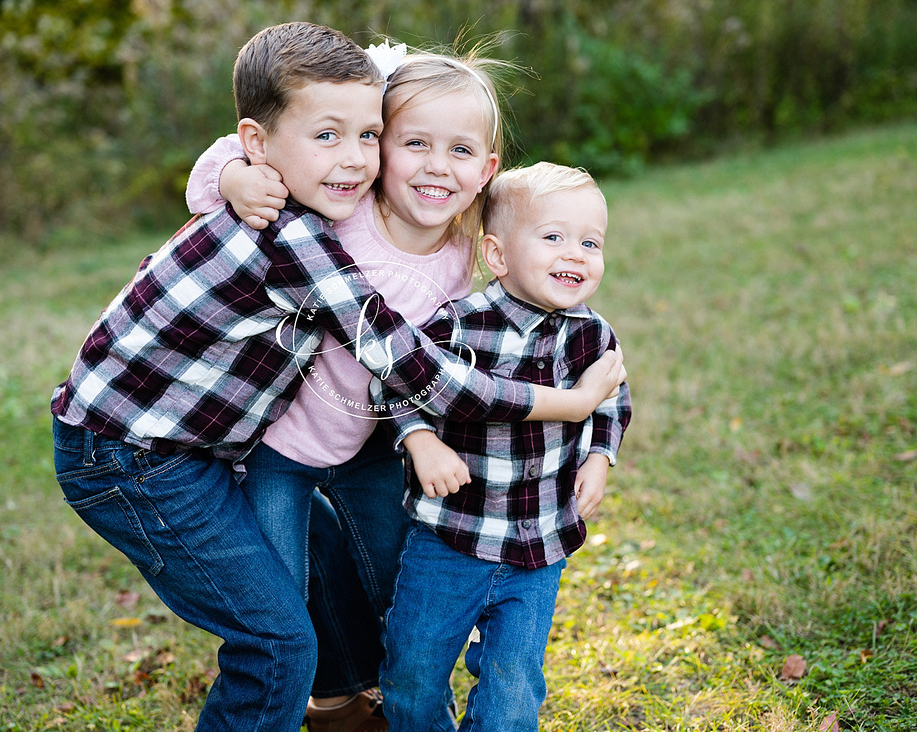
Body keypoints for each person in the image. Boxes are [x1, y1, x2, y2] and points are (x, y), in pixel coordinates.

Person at [51, 23, 624, 732]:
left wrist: (592, 431)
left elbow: (525, 250)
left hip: (362, 440)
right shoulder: (324, 220)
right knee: (278, 610)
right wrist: (568, 404)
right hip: (259, 450)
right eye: (409, 143)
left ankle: (359, 696)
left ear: (483, 169)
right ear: (386, 151)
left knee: (393, 577)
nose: (428, 166)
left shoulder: (455, 241)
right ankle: (316, 690)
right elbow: (420, 368)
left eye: (366, 137)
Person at [374, 162, 633, 731]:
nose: (576, 254)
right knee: (412, 675)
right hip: (450, 538)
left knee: (514, 686)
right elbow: (393, 380)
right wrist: (419, 441)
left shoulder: (594, 335)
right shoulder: (459, 326)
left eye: (591, 242)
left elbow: (611, 399)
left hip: (539, 542)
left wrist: (598, 456)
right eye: (554, 237)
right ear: (497, 254)